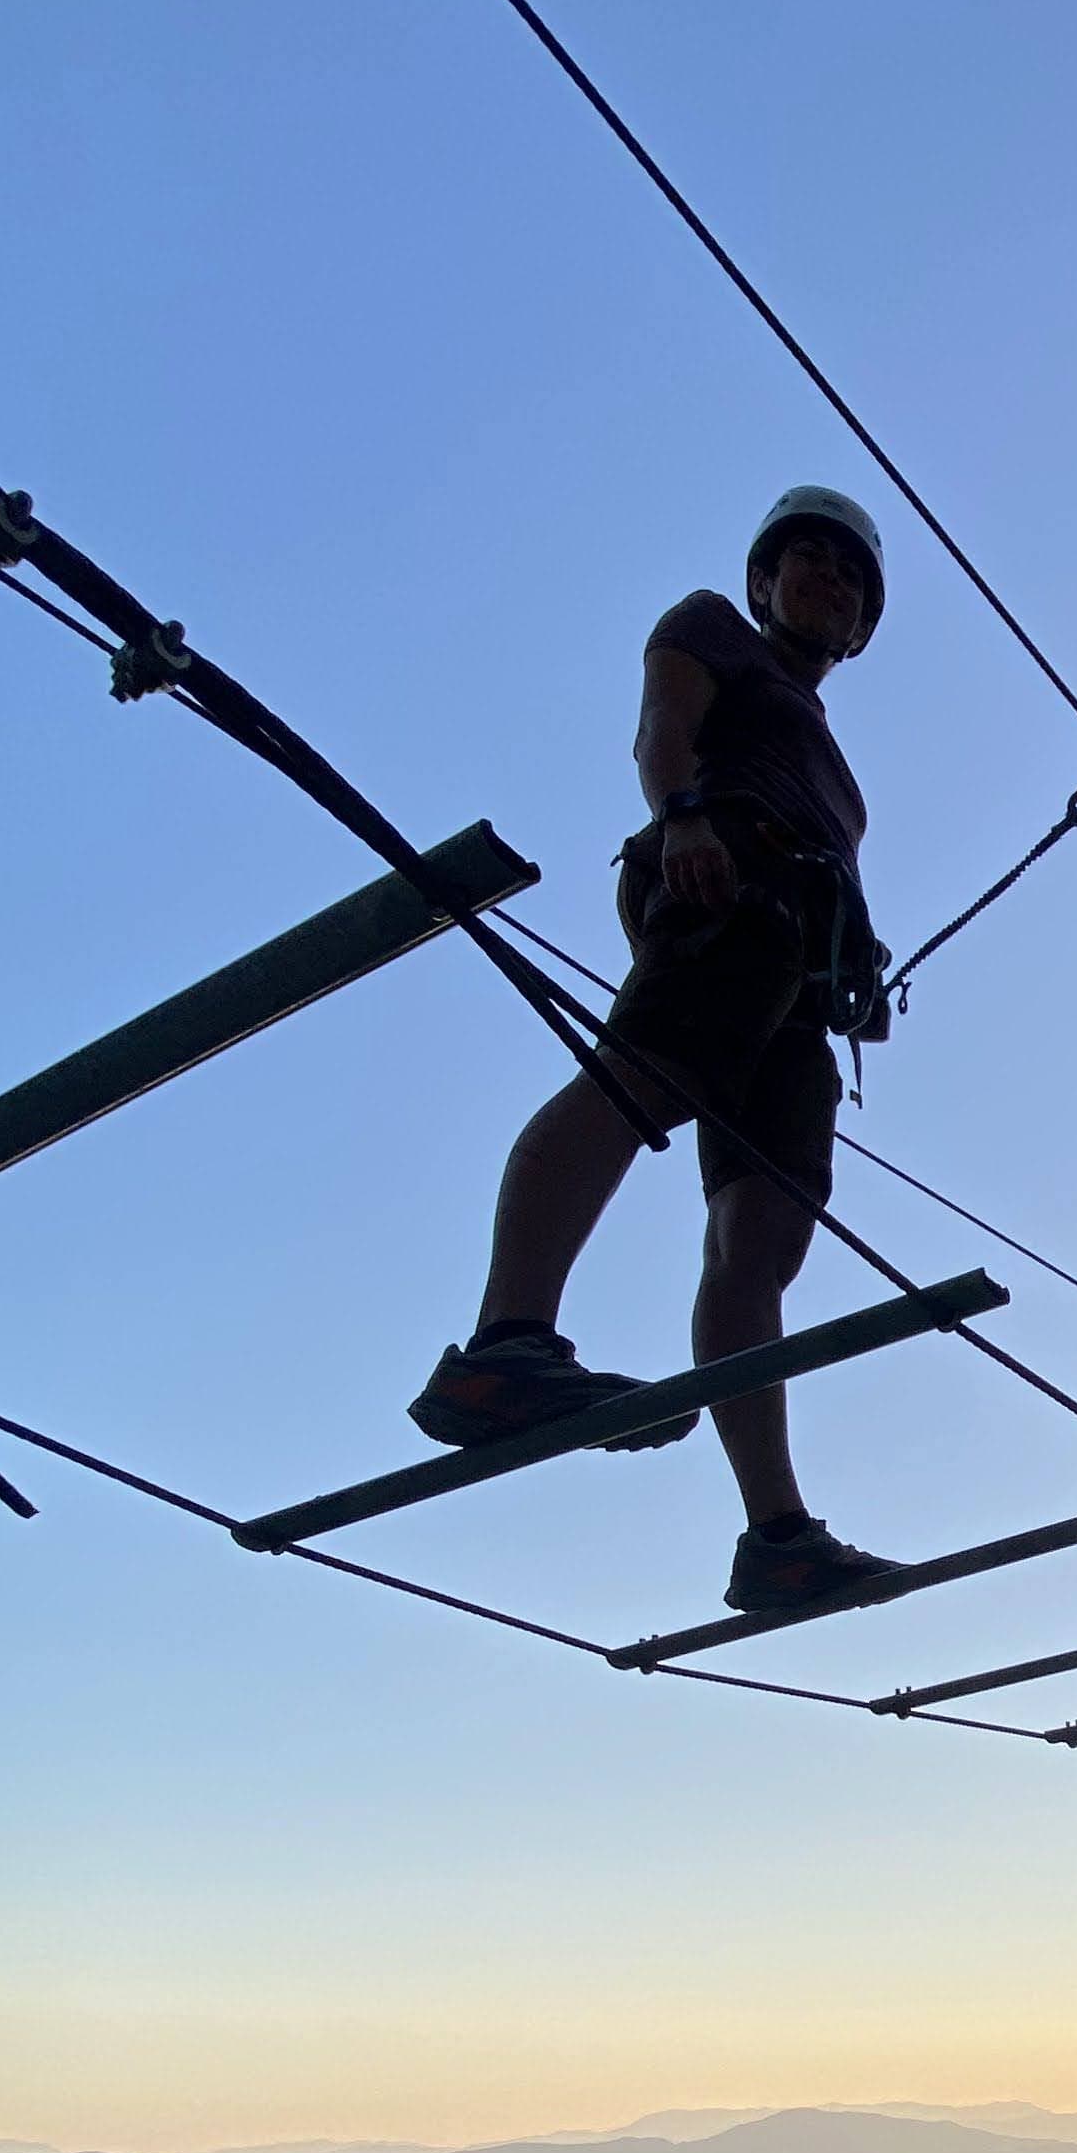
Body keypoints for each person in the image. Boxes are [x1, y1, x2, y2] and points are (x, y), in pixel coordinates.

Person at [410, 485, 904, 1621]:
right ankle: (505, 1345)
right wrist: (683, 814)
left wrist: (856, 969)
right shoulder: (713, 632)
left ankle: (777, 1537)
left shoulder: (835, 765)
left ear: (861, 624)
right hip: (726, 876)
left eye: (850, 576)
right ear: (763, 582)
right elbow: (662, 728)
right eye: (808, 561)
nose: (827, 580)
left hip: (800, 969)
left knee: (763, 1236)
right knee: (639, 1080)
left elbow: (834, 874)